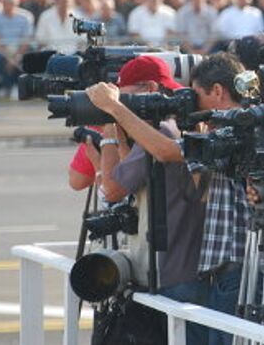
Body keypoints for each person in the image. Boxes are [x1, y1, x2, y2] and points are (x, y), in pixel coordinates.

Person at [85, 56, 209, 344]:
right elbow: (134, 177)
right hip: (179, 269)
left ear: (151, 88)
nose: (121, 102)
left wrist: (110, 125)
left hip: (171, 273)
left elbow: (113, 189)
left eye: (125, 94)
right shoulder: (173, 127)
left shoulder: (165, 130)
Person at [0, 0, 33, 97]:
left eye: (10, 3)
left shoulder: (25, 17)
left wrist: (15, 57)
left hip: (20, 50)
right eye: (5, 3)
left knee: (29, 59)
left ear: (16, 4)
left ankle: (22, 88)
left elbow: (26, 41)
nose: (8, 6)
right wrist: (9, 57)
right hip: (2, 51)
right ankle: (4, 88)